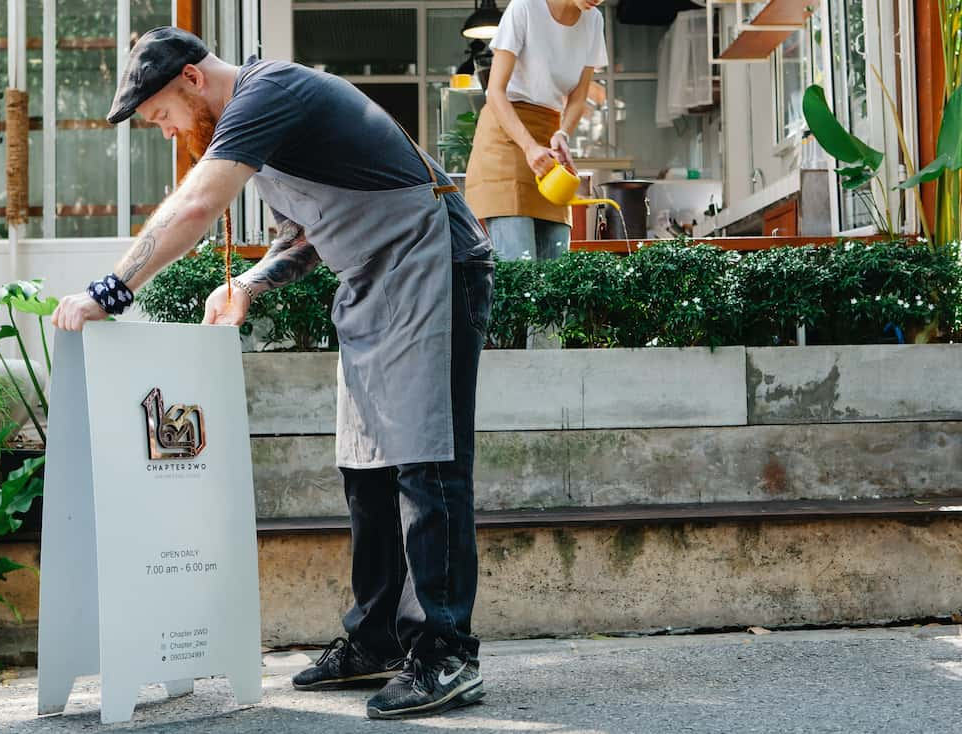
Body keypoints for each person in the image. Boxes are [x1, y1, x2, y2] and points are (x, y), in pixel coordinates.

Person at [50, 27, 494, 720]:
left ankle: (445, 652)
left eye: (161, 113)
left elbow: (198, 206)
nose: (167, 131)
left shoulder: (269, 91)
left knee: (425, 461)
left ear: (193, 79)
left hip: (432, 262)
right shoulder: (256, 125)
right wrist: (248, 287)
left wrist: (110, 290)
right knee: (367, 468)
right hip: (372, 281)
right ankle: (377, 639)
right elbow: (305, 236)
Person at [465, 0, 608, 260]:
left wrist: (563, 133)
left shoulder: (594, 21)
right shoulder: (525, 7)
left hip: (547, 137)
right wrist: (529, 147)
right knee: (519, 267)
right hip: (505, 138)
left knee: (556, 271)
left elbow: (578, 97)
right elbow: (495, 92)